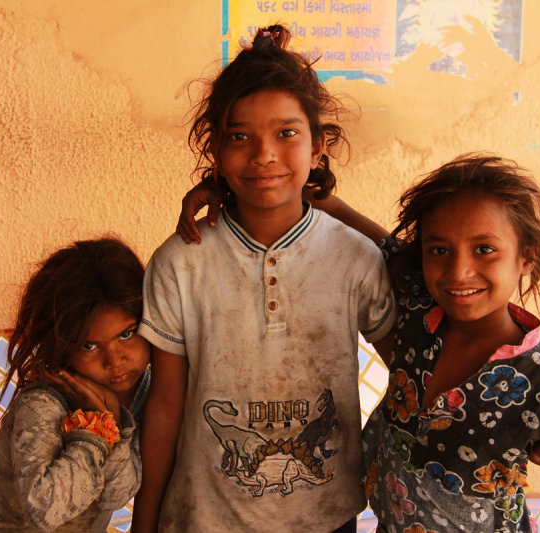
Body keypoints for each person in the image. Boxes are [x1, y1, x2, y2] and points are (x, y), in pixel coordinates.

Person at [178, 153, 540, 532]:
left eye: (485, 250)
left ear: (525, 259)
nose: (458, 272)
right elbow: (380, 244)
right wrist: (229, 189)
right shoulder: (417, 314)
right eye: (439, 250)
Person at [132, 24, 396, 533]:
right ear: (216, 151)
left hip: (325, 517)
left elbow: (413, 370)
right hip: (206, 519)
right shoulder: (180, 263)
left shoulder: (355, 259)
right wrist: (144, 524)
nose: (263, 154)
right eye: (239, 136)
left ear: (319, 146)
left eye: (286, 133)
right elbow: (166, 404)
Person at [0, 237, 152, 533]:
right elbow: (44, 510)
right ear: (62, 347)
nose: (115, 360)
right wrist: (95, 429)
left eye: (126, 334)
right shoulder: (44, 402)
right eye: (89, 345)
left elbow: (117, 494)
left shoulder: (150, 392)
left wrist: (113, 422)